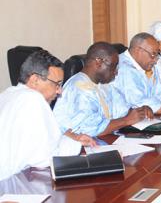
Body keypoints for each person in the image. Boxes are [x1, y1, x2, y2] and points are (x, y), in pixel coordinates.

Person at [0, 50, 95, 181]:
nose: (59, 91)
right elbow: (45, 159)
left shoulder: (7, 94)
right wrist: (75, 143)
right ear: (35, 80)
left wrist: (74, 139)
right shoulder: (33, 99)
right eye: (56, 84)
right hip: (12, 185)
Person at [53, 42, 152, 137]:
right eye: (113, 66)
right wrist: (126, 120)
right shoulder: (79, 88)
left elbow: (121, 109)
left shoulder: (104, 84)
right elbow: (89, 129)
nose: (116, 72)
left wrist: (140, 111)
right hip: (78, 147)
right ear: (98, 62)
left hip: (104, 140)